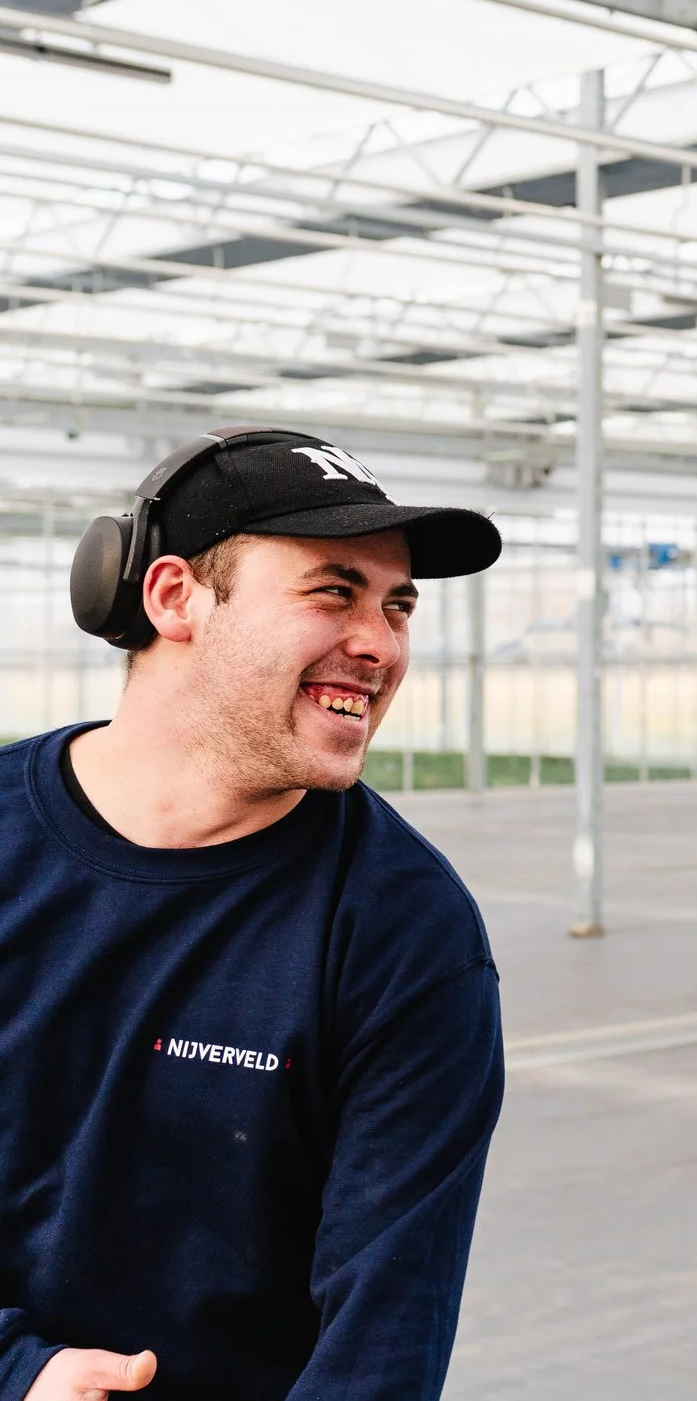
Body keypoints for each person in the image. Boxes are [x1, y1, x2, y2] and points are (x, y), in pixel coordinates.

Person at [0, 427, 507, 1401]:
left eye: (398, 604)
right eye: (334, 590)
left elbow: (384, 1331)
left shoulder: (408, 930)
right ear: (172, 597)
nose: (382, 643)